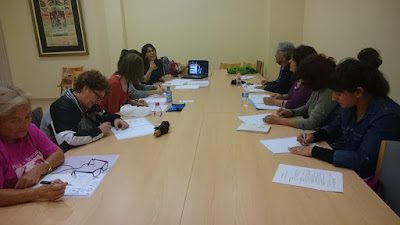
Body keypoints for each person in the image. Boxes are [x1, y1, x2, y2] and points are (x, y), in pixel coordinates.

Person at [289, 48, 400, 178]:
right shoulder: (351, 105)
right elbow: (335, 127)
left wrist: (314, 151)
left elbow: (362, 160)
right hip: (347, 171)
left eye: (339, 93)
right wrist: (314, 136)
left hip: (367, 182)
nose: (333, 98)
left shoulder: (386, 116)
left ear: (358, 92)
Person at [0, 86, 67, 207]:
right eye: (14, 121)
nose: (24, 125)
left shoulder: (30, 130)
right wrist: (37, 193)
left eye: (27, 117)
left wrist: (39, 169)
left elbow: (58, 153)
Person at [41, 70, 129, 152]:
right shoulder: (61, 107)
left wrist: (115, 120)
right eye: (98, 97)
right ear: (85, 89)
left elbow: (102, 114)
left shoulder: (86, 103)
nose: (99, 102)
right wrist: (99, 131)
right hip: (58, 155)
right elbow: (67, 140)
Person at [263, 54, 338, 130]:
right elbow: (307, 107)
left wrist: (280, 120)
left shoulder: (329, 93)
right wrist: (292, 112)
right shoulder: (318, 87)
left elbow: (312, 123)